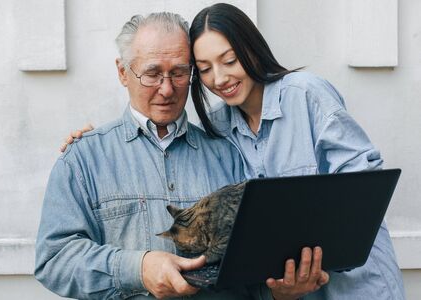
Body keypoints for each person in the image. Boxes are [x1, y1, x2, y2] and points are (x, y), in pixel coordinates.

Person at [64, 3, 406, 300]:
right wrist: (96, 143)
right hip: (290, 290)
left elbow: (365, 188)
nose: (220, 78)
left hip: (356, 283)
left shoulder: (306, 95)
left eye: (229, 60)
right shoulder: (219, 128)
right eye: (206, 68)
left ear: (251, 49)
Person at [37, 11, 328, 300]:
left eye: (178, 73)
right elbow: (54, 260)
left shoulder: (230, 153)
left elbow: (252, 271)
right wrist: (138, 268)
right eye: (152, 74)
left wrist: (281, 292)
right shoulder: (84, 158)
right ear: (123, 72)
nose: (166, 89)